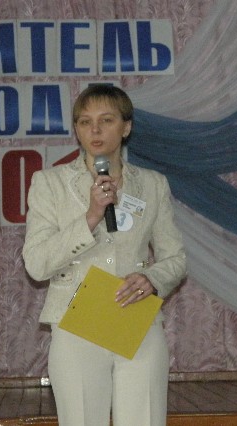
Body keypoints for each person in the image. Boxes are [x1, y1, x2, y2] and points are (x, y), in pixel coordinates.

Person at [23, 85, 187, 426]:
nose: (95, 130)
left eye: (106, 120)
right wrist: (90, 217)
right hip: (77, 322)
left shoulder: (153, 184)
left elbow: (176, 258)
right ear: (77, 129)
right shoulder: (50, 183)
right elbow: (36, 264)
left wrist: (152, 279)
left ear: (126, 127)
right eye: (85, 122)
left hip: (137, 321)